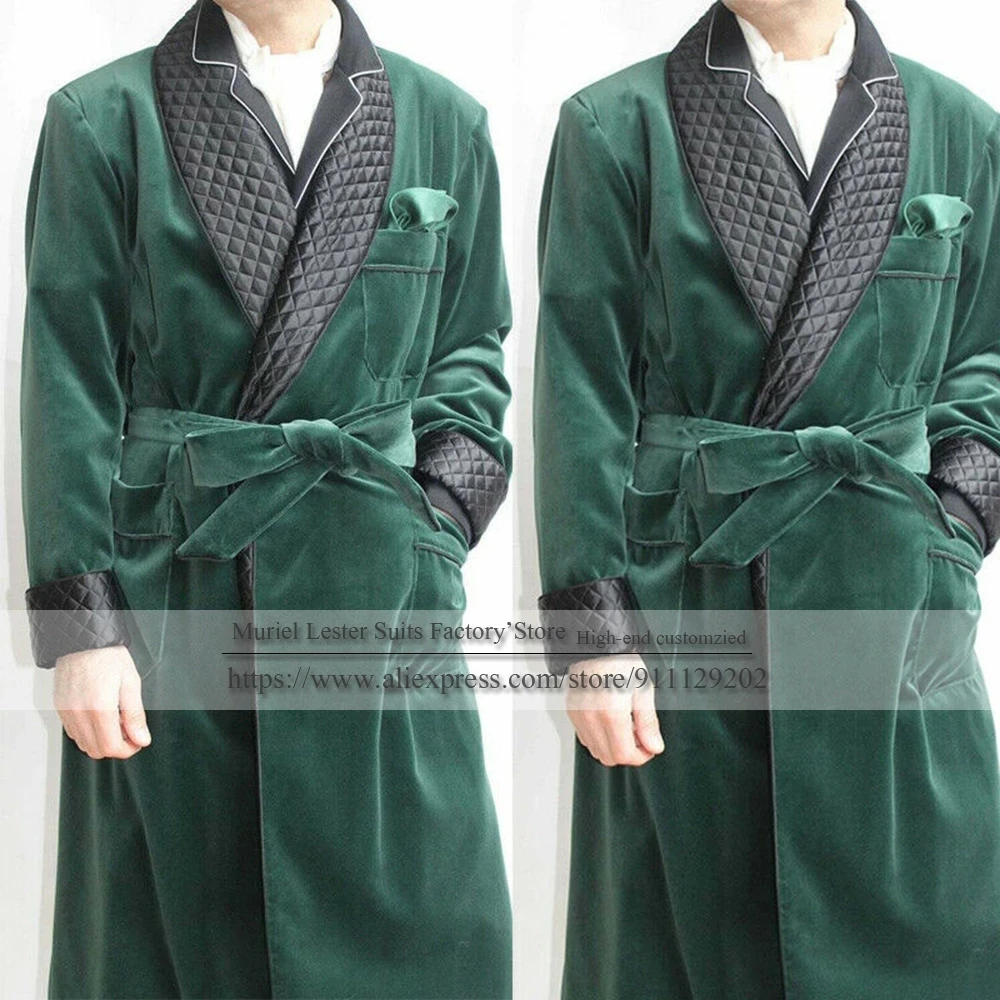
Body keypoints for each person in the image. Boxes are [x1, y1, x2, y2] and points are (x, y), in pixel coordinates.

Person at [21, 0, 512, 996]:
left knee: (433, 927)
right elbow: (67, 378)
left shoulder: (444, 118)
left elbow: (470, 347)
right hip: (182, 586)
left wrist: (439, 517)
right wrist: (84, 631)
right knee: (191, 939)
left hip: (383, 591)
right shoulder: (102, 117)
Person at [534, 0, 1000, 996]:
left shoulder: (960, 127)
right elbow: (580, 390)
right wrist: (593, 637)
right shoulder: (616, 126)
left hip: (896, 601)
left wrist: (953, 521)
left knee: (930, 930)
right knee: (700, 938)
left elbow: (985, 360)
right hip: (693, 593)